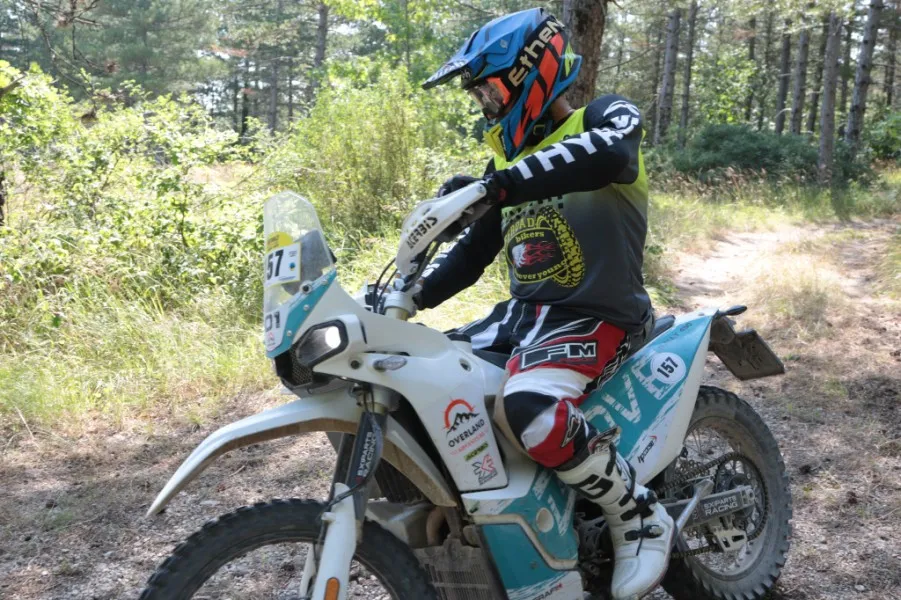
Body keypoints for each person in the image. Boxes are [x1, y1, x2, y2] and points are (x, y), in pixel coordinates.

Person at [418, 8, 674, 600]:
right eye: (478, 95)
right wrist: (402, 298)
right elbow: (470, 257)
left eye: (489, 90)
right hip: (524, 320)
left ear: (529, 72)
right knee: (424, 375)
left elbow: (608, 155)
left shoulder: (604, 117)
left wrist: (497, 185)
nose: (484, 104)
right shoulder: (505, 168)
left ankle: (637, 513)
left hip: (599, 315)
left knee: (527, 405)